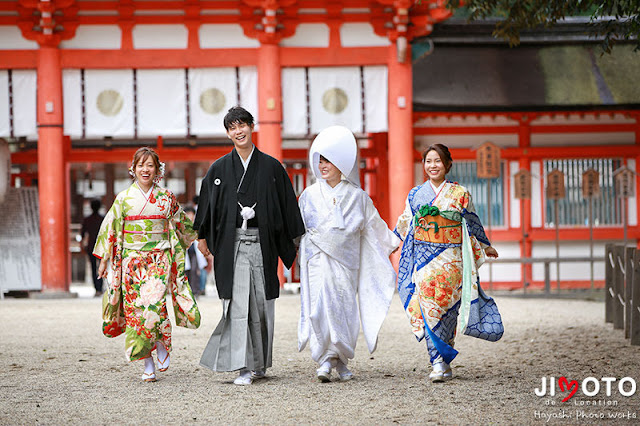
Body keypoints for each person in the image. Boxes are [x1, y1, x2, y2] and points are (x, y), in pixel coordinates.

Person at [194, 106, 305, 385]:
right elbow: (207, 206)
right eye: (232, 127)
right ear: (228, 133)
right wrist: (203, 238)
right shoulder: (219, 169)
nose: (238, 131)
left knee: (262, 303)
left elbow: (287, 205)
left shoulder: (271, 167)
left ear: (251, 127)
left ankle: (259, 364)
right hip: (233, 245)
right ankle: (242, 365)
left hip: (263, 243)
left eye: (242, 125)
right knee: (238, 304)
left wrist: (295, 240)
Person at [297, 126, 400, 382]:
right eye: (320, 160)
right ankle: (326, 358)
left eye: (328, 161)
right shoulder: (308, 195)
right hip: (317, 261)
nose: (323, 166)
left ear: (341, 163)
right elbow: (299, 228)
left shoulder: (358, 197)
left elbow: (374, 225)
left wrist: (394, 240)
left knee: (342, 307)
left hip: (345, 262)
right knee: (318, 309)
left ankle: (338, 358)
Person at [394, 143, 504, 383]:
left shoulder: (460, 193)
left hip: (452, 260)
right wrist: (392, 241)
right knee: (429, 309)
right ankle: (436, 362)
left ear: (447, 165)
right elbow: (405, 220)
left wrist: (486, 245)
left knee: (449, 311)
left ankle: (444, 360)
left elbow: (472, 220)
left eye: (438, 161)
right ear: (424, 165)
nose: (433, 166)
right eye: (428, 161)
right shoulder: (415, 194)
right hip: (425, 260)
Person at [93, 147, 200, 383]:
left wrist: (201, 240)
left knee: (155, 305)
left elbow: (183, 225)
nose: (145, 169)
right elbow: (110, 228)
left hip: (158, 258)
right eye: (141, 165)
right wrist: (104, 259)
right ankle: (147, 362)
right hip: (132, 262)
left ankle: (162, 344)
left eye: (150, 165)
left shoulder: (166, 198)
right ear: (133, 169)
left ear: (157, 170)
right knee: (136, 313)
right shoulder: (123, 198)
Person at [81, 199, 104, 296]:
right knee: (102, 266)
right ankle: (101, 286)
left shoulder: (87, 219)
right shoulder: (102, 219)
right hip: (101, 246)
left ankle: (97, 288)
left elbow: (83, 234)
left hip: (91, 246)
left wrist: (82, 245)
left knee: (93, 267)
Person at [184, 206, 208, 296]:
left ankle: (196, 290)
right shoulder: (182, 224)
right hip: (186, 250)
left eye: (191, 214)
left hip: (195, 250)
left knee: (195, 270)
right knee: (186, 271)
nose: (189, 216)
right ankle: (187, 290)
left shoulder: (197, 224)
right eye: (188, 214)